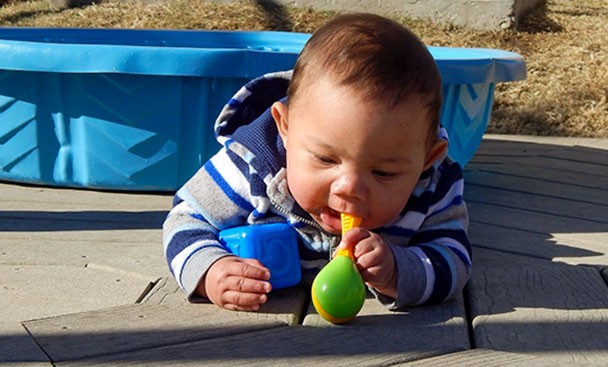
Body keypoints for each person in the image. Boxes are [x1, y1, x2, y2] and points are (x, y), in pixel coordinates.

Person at [163, 12, 471, 312]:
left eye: (383, 172)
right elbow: (185, 219)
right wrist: (211, 270)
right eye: (325, 159)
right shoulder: (253, 164)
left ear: (426, 160)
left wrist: (397, 270)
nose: (349, 188)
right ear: (286, 129)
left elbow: (454, 260)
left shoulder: (432, 186)